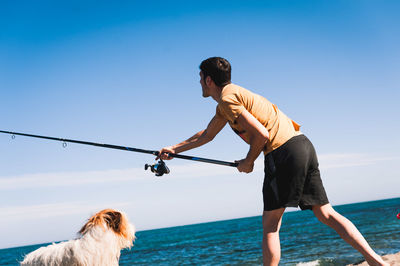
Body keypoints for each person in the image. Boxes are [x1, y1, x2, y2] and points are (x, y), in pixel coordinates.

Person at [157, 57, 387, 266]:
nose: (198, 83)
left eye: (199, 78)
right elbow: (206, 135)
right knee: (326, 213)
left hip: (282, 151)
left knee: (270, 226)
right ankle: (376, 261)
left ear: (208, 80)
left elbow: (261, 134)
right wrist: (174, 149)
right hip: (302, 145)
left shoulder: (228, 99)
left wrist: (248, 161)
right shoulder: (229, 100)